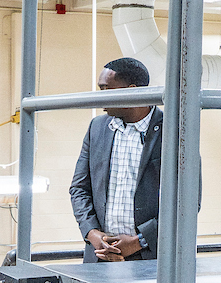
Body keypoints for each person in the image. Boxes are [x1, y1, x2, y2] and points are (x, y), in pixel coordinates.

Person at [69, 58, 165, 262]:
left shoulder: (172, 129)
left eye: (106, 89)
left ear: (132, 91)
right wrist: (93, 234)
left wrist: (139, 241)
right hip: (100, 255)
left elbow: (187, 202)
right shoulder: (97, 128)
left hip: (150, 258)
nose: (101, 98)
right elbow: (79, 189)